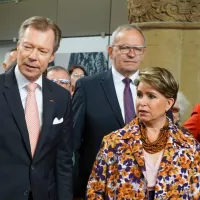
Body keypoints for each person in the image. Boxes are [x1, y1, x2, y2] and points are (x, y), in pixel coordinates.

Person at [86, 67, 200, 200]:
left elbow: (196, 193)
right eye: (139, 95)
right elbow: (94, 192)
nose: (142, 102)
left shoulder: (188, 145)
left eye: (151, 96)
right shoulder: (114, 142)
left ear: (169, 103)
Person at [0, 16, 73, 200]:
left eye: (42, 50)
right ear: (18, 46)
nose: (33, 56)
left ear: (52, 56)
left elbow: (62, 159)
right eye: (28, 46)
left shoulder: (61, 97)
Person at [72, 24, 146, 198]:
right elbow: (71, 144)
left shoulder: (156, 89)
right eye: (125, 47)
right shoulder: (88, 87)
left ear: (144, 53)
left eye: (137, 48)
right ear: (111, 51)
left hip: (143, 188)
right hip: (97, 188)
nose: (131, 53)